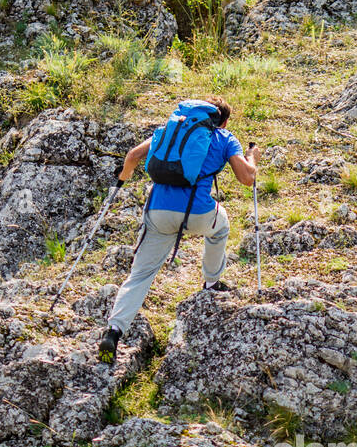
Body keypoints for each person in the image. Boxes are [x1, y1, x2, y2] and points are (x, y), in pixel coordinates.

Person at [97, 95, 260, 362]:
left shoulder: (171, 131)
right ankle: (211, 283)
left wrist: (120, 182)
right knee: (220, 227)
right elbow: (246, 178)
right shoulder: (225, 138)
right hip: (198, 213)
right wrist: (253, 157)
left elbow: (134, 155)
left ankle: (113, 332)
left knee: (140, 274)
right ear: (224, 121)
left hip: (158, 211)